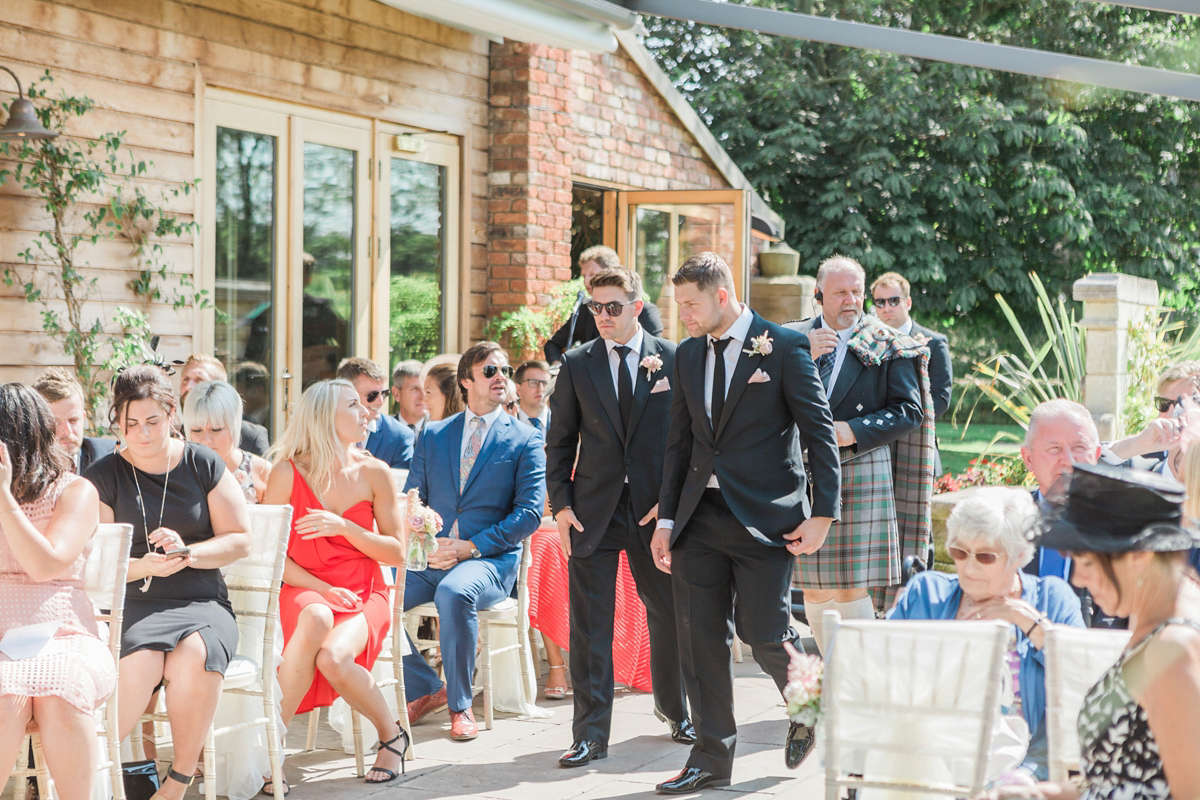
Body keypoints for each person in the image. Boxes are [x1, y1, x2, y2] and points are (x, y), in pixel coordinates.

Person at [651, 252, 842, 792]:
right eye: (679, 303)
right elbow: (678, 445)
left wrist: (823, 513)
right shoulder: (687, 356)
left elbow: (819, 432)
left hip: (766, 520)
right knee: (700, 639)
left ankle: (811, 701)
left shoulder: (782, 347)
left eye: (690, 304)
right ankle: (711, 760)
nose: (682, 315)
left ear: (722, 295)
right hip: (697, 520)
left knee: (766, 635)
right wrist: (666, 520)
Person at [84, 365, 251, 800]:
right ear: (116, 422)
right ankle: (89, 775)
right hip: (132, 602)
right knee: (140, 663)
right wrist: (144, 566)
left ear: (171, 414)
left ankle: (176, 782)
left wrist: (189, 553)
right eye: (129, 424)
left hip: (201, 599)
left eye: (152, 421)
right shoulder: (102, 476)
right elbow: (96, 563)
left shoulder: (202, 462)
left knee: (194, 654)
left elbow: (240, 540)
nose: (141, 434)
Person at [547, 268, 692, 768]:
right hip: (592, 512)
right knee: (590, 626)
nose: (603, 316)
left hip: (656, 514)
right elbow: (560, 439)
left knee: (670, 615)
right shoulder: (576, 363)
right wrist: (561, 504)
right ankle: (590, 735)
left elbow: (691, 439)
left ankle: (675, 709)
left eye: (612, 306)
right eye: (595, 307)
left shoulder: (675, 358)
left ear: (636, 305)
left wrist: (671, 504)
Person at [1017, 463, 1200, 800]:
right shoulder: (1153, 624)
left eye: (1086, 562)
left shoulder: (1173, 649)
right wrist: (1043, 794)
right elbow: (1125, 776)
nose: (1076, 579)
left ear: (1140, 556)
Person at [263, 378, 408, 786]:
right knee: (315, 618)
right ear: (326, 416)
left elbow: (397, 553)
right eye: (354, 405)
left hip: (364, 590)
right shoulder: (287, 474)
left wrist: (344, 527)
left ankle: (391, 735)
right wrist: (321, 588)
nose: (367, 412)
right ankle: (274, 748)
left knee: (334, 658)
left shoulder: (374, 471)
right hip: (303, 585)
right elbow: (271, 557)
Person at [402, 342, 546, 742]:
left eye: (505, 370)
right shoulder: (433, 434)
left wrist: (471, 547)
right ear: (466, 381)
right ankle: (425, 687)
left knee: (454, 593)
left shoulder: (525, 437)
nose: (501, 377)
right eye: (489, 371)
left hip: (490, 560)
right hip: (433, 557)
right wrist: (426, 545)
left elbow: (529, 514)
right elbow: (414, 498)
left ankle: (460, 707)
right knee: (377, 592)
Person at [889, 487, 1085, 779]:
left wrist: (1029, 623)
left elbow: (1084, 680)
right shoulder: (926, 594)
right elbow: (881, 670)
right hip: (929, 767)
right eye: (959, 552)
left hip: (1023, 772)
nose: (967, 568)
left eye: (984, 556)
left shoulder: (1052, 600)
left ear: (1018, 555)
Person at [785, 257, 928, 639]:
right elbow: (763, 399)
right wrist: (802, 355)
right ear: (818, 295)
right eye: (840, 293)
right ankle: (831, 677)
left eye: (857, 292)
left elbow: (910, 411)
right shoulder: (791, 338)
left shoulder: (887, 341)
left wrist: (852, 430)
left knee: (851, 584)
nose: (851, 301)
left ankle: (859, 674)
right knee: (812, 583)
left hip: (860, 466)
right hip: (802, 469)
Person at [0, 383, 110, 800]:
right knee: (5, 694)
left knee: (57, 691)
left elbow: (45, 564)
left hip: (64, 636)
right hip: (2, 643)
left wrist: (4, 499)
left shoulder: (75, 492)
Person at [544, 246, 664, 364]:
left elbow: (655, 352)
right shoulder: (585, 309)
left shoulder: (646, 312)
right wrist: (560, 368)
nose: (587, 281)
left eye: (592, 274)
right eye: (584, 276)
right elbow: (553, 345)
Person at [869, 272, 952, 419]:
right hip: (874, 433)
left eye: (893, 301)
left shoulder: (935, 343)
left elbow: (941, 399)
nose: (886, 308)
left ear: (908, 303)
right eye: (880, 302)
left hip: (916, 434)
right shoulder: (869, 343)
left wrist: (902, 422)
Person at [1102, 361, 1200, 478]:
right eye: (1164, 404)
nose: (1170, 415)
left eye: (1182, 404)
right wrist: (1135, 444)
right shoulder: (1139, 462)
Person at [183, 381, 271, 504]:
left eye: (216, 429)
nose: (206, 439)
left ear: (234, 426)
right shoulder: (178, 471)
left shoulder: (261, 471)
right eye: (197, 430)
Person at [179, 355, 270, 457]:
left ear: (220, 387)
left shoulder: (251, 437)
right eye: (185, 380)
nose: (189, 387)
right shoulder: (173, 435)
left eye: (199, 380)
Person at [32, 367, 117, 472]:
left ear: (83, 417)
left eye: (73, 420)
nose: (67, 431)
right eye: (55, 422)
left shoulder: (108, 457)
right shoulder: (25, 467)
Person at [335, 358, 414, 470]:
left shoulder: (399, 437)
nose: (380, 401)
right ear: (346, 393)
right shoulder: (324, 430)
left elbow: (399, 485)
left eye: (384, 393)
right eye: (372, 395)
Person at [390, 360, 428, 435]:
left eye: (426, 389)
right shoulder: (384, 431)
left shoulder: (442, 432)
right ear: (397, 394)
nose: (423, 396)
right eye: (415, 389)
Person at [514, 360, 552, 431]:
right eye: (533, 383)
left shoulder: (564, 424)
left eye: (545, 383)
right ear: (518, 389)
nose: (541, 389)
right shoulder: (506, 425)